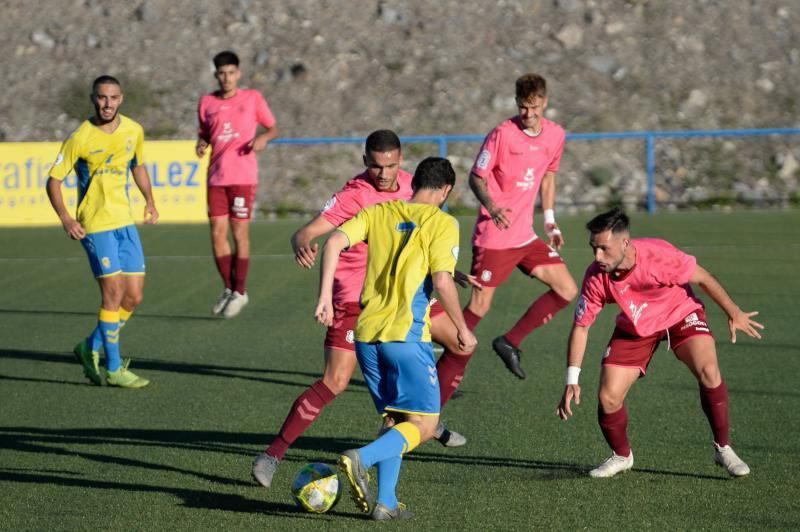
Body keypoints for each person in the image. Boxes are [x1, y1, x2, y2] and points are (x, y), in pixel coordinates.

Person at [251, 130, 478, 489]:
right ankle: (272, 454)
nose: (384, 173)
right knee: (335, 381)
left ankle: (426, 417)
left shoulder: (413, 185)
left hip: (408, 298)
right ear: (364, 162)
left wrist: (449, 272)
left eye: (390, 165)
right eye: (376, 166)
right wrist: (303, 243)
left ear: (401, 161)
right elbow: (309, 233)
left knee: (463, 344)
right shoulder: (354, 196)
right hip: (358, 301)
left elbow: (424, 241)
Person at [315, 157, 478, 520]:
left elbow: (333, 241)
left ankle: (386, 503)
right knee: (426, 425)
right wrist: (463, 329)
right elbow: (441, 281)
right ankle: (362, 458)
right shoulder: (442, 222)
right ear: (446, 190)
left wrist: (324, 297)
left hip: (366, 336)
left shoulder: (380, 211)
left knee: (396, 419)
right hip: (405, 338)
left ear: (415, 181)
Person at [556, 208, 764, 478]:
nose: (597, 257)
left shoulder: (659, 256)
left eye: (604, 249)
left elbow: (702, 277)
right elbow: (582, 327)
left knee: (709, 371)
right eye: (593, 248)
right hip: (636, 325)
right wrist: (572, 378)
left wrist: (733, 312)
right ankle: (622, 455)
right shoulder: (596, 276)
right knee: (608, 398)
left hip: (679, 314)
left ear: (625, 243)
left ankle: (723, 448)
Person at [46, 75, 158, 388]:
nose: (107, 103)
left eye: (112, 97)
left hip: (125, 222)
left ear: (121, 99)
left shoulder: (133, 130)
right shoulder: (80, 137)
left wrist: (150, 200)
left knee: (133, 297)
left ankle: (89, 347)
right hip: (95, 225)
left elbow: (137, 165)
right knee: (113, 294)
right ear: (93, 98)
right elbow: (53, 180)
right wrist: (67, 218)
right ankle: (113, 367)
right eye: (101, 97)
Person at [464, 73, 578, 379]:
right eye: (522, 107)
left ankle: (509, 342)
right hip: (495, 237)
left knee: (566, 289)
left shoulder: (555, 135)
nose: (528, 114)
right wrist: (492, 206)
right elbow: (476, 177)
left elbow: (549, 177)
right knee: (479, 307)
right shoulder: (501, 134)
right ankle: (438, 372)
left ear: (545, 102)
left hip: (525, 236)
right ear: (517, 103)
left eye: (534, 106)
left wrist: (551, 222)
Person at [196, 50, 278, 318]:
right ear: (216, 75)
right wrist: (202, 143)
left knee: (239, 233)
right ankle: (230, 289)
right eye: (221, 73)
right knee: (216, 234)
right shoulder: (207, 102)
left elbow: (272, 127)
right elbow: (205, 134)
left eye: (231, 73)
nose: (226, 78)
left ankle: (240, 291)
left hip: (242, 178)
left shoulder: (252, 98)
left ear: (238, 74)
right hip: (216, 178)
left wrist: (264, 139)